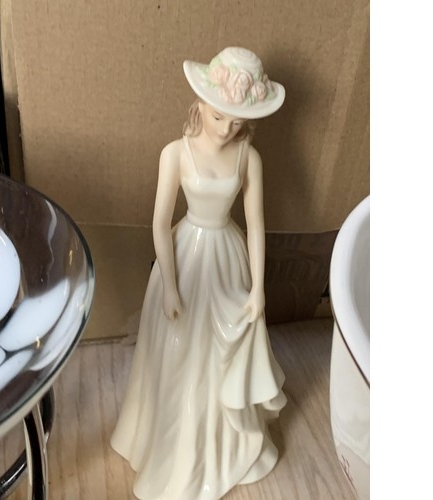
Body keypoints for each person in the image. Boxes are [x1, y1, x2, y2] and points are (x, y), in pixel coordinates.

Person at [111, 47, 287, 500]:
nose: (226, 129)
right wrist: (170, 286)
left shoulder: (249, 157)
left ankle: (222, 445)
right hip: (185, 256)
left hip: (228, 258)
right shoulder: (176, 153)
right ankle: (172, 446)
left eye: (236, 122)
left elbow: (256, 225)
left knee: (224, 355)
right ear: (200, 105)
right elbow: (159, 223)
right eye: (217, 116)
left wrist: (258, 288)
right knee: (178, 354)